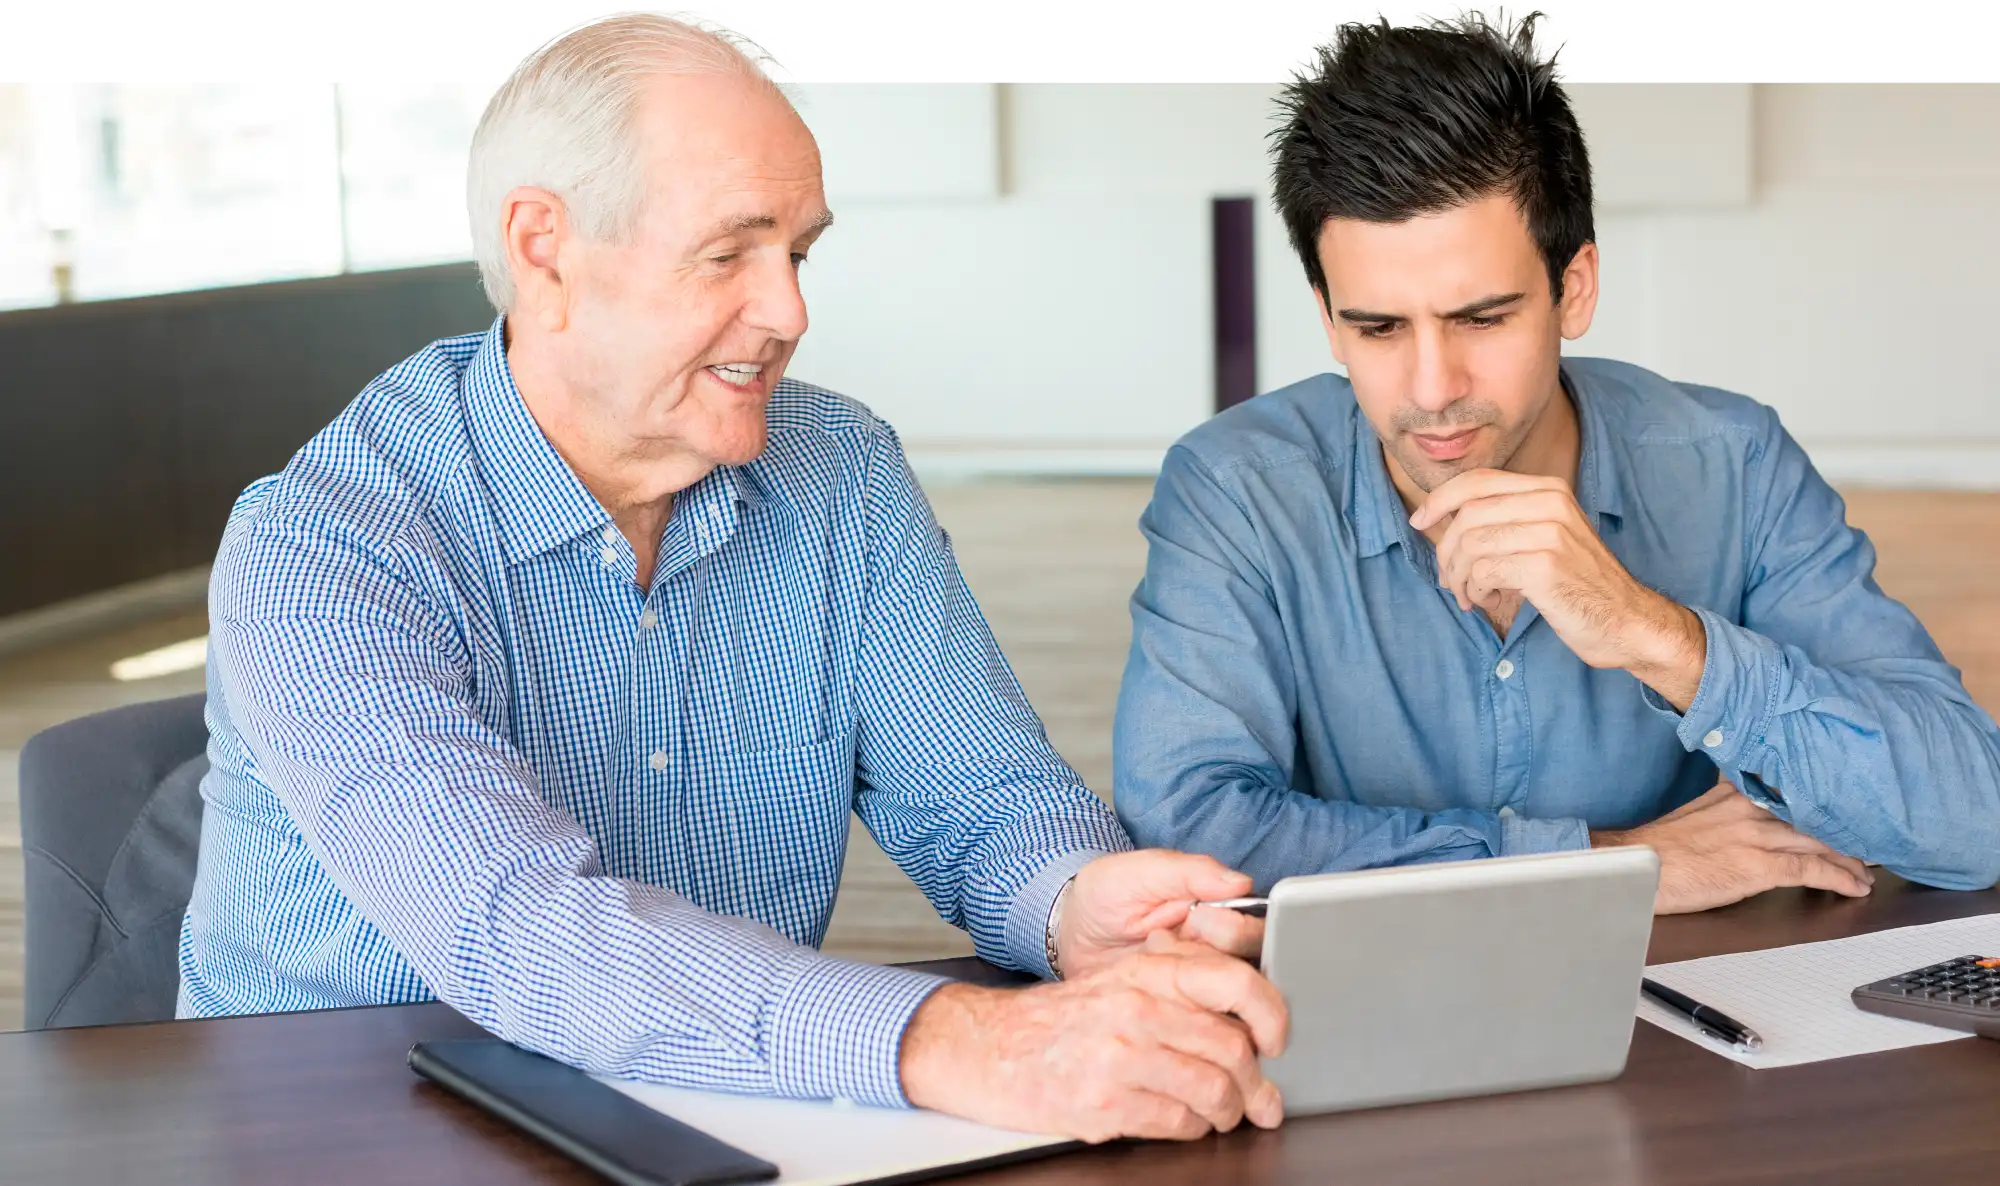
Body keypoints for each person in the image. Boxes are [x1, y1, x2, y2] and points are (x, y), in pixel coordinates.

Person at [177, 8, 1285, 1143]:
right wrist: (960, 1042)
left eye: (797, 254)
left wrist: (1067, 902)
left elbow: (983, 798)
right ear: (544, 250)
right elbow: (518, 930)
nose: (791, 311)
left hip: (725, 1113)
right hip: (358, 1129)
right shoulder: (322, 544)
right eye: (728, 254)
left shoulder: (839, 470)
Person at [1113, 4, 2000, 914]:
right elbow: (1189, 838)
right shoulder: (1235, 490)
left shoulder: (1732, 465)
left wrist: (1658, 636)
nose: (1432, 387)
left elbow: (1975, 818)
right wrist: (1607, 865)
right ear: (1327, 317)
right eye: (1377, 328)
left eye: (1481, 319)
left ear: (1573, 289)